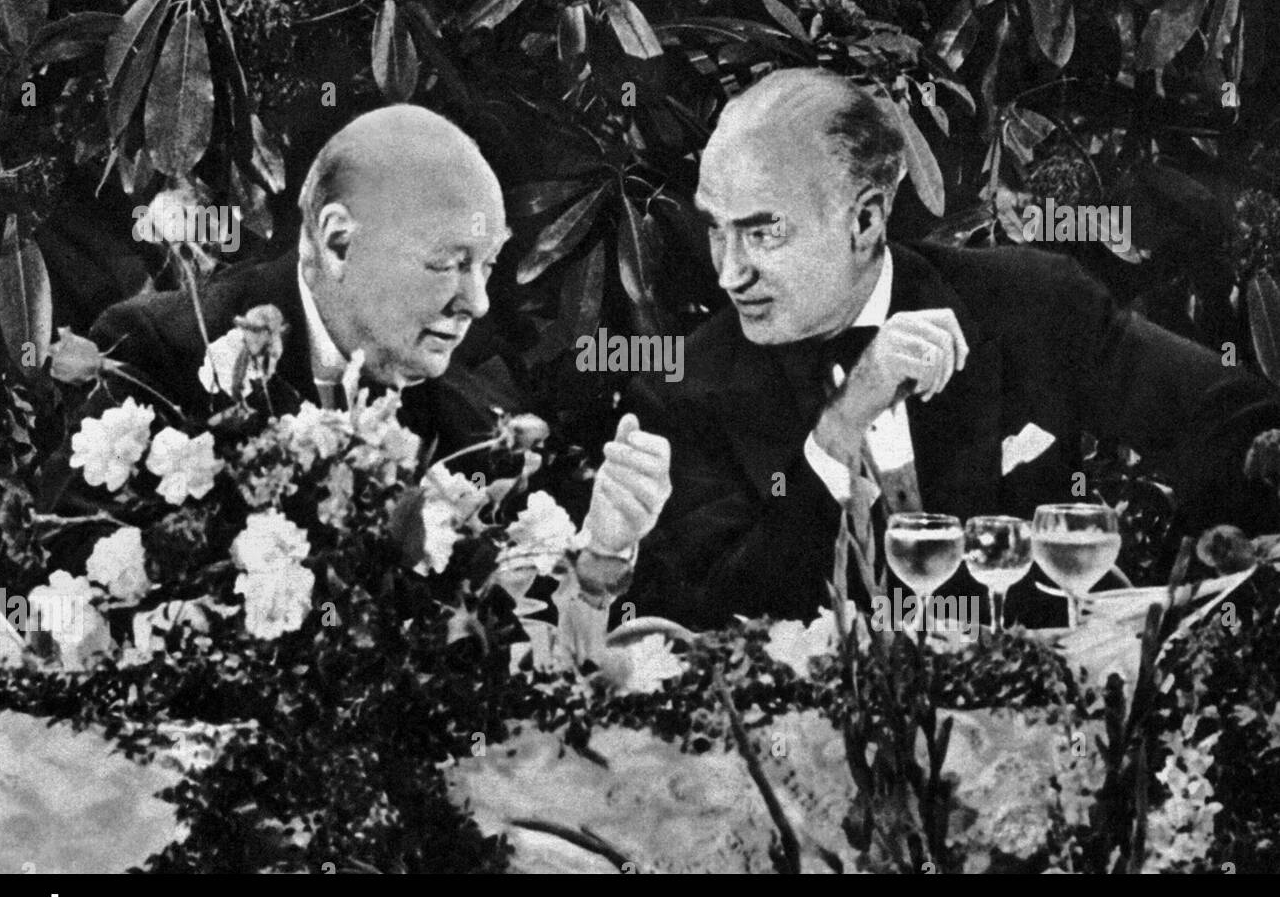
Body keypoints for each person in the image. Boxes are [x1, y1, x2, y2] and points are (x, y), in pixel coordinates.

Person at [624, 68, 1280, 630]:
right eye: (716, 229)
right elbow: (717, 621)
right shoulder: (686, 388)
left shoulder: (1032, 303)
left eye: (762, 232)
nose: (727, 273)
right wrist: (840, 425)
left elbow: (1234, 424)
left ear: (866, 219)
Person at [92, 105, 671, 574]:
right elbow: (83, 589)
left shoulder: (463, 410)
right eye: (448, 264)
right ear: (339, 242)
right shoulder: (152, 351)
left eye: (488, 266)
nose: (478, 302)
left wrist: (602, 550)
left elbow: (507, 605)